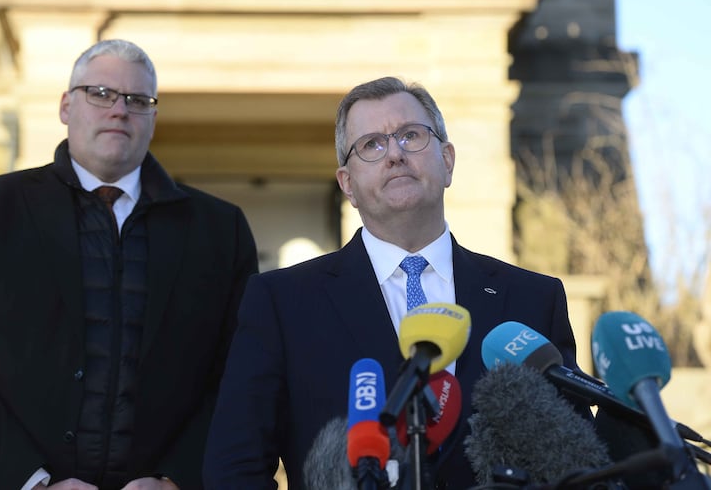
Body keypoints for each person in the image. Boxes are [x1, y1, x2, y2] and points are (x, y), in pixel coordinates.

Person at [203, 76, 590, 489]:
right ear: (347, 184)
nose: (394, 154)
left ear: (448, 161)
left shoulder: (533, 299)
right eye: (371, 144)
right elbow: (235, 467)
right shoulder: (280, 302)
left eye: (410, 135)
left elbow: (578, 460)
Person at [0, 39, 258, 490]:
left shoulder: (220, 230)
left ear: (153, 118)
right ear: (65, 106)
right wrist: (32, 482)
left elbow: (240, 374)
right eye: (100, 93)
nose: (119, 110)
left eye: (138, 100)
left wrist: (175, 479)